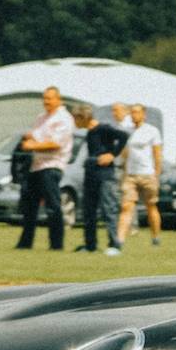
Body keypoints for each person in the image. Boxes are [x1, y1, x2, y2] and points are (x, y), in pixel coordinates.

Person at [16, 87, 76, 251]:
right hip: (36, 165)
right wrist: (29, 138)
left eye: (50, 98)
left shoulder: (64, 118)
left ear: (59, 100)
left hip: (52, 165)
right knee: (30, 206)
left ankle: (56, 244)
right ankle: (25, 243)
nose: (46, 102)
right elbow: (36, 136)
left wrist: (32, 145)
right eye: (44, 98)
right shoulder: (41, 117)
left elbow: (55, 144)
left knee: (53, 205)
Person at [74, 104, 126, 254]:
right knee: (89, 211)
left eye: (76, 119)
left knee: (108, 209)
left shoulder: (103, 128)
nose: (75, 123)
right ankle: (90, 245)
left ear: (82, 118)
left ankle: (114, 245)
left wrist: (112, 155)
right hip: (91, 174)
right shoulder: (89, 132)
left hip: (105, 175)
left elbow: (123, 136)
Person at [115, 103, 164, 252]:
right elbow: (124, 152)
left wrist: (156, 174)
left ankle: (155, 236)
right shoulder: (127, 132)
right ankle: (119, 241)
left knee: (151, 206)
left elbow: (157, 154)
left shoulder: (152, 131)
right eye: (132, 113)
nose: (134, 115)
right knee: (126, 207)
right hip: (131, 175)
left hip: (147, 174)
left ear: (143, 114)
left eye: (137, 112)